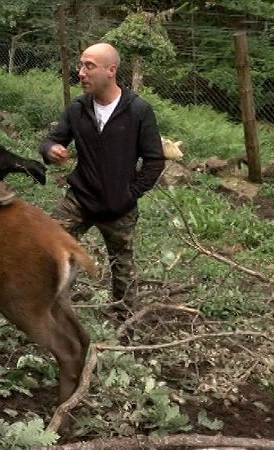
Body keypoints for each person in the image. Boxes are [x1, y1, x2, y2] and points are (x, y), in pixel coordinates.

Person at [38, 42, 165, 318]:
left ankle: (125, 323)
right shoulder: (77, 109)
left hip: (119, 205)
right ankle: (52, 311)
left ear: (111, 70)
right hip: (80, 199)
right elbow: (52, 140)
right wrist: (51, 150)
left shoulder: (138, 110)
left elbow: (154, 161)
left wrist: (130, 193)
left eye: (89, 66)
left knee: (123, 267)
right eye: (81, 65)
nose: (81, 72)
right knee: (48, 246)